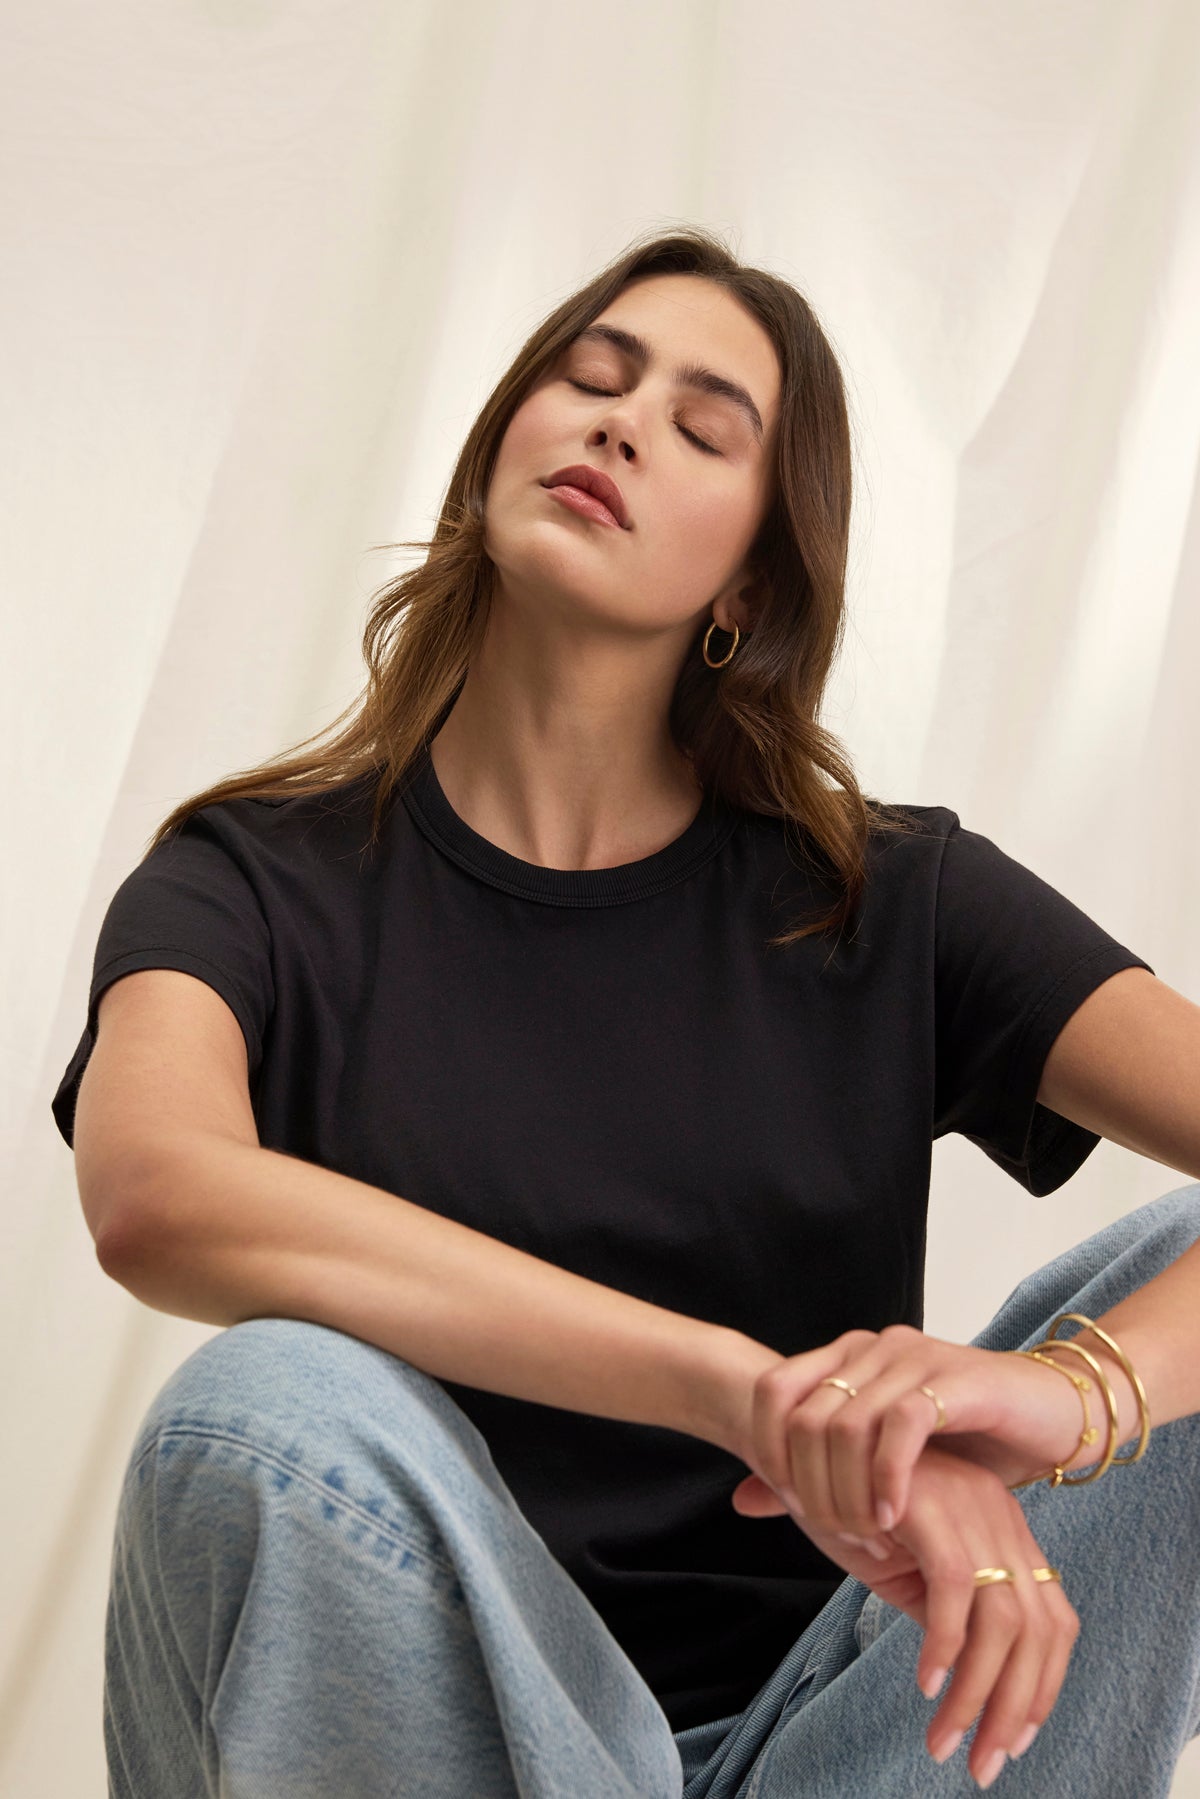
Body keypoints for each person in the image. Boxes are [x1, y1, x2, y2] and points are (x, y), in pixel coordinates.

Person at [52, 226, 1200, 1798]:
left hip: (867, 1740)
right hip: (454, 1742)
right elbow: (155, 1194)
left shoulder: (892, 894)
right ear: (494, 453)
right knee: (260, 1414)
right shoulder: (249, 882)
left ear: (752, 575)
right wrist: (748, 1396)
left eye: (702, 423)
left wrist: (1067, 1408)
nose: (622, 421)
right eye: (589, 378)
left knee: (1174, 1319)